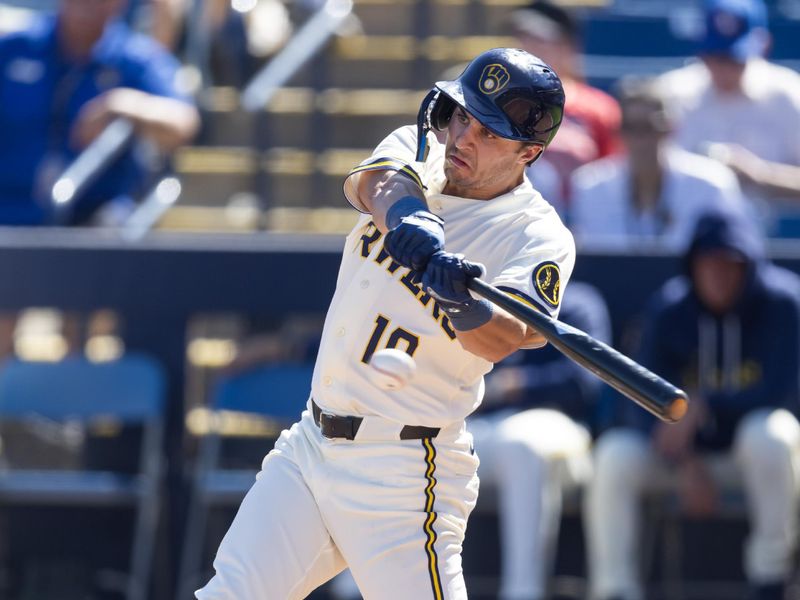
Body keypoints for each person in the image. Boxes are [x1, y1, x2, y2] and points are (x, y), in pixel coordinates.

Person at [196, 47, 575, 599]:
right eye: (464, 116)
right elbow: (381, 185)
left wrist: (462, 302)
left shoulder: (536, 236)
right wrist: (411, 221)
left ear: (529, 152)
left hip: (404, 468)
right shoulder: (423, 144)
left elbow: (508, 336)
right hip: (310, 444)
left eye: (490, 132)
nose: (464, 137)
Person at [585, 210, 800, 600]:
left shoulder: (783, 304)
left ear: (748, 266)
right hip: (680, 460)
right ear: (693, 266)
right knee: (615, 455)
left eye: (729, 264)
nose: (718, 274)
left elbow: (784, 393)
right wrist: (684, 461)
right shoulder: (670, 309)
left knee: (773, 433)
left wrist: (706, 406)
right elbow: (633, 399)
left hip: (746, 456)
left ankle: (772, 579)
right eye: (708, 263)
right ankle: (615, 589)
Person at [468, 281, 610, 600]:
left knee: (522, 447)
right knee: (417, 442)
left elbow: (585, 384)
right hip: (482, 423)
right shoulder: (479, 295)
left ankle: (523, 592)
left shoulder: (578, 303)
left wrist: (517, 384)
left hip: (554, 421)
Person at [0, 0, 200, 226]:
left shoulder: (135, 58)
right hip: (9, 209)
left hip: (91, 217)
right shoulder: (16, 48)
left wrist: (125, 104)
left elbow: (183, 123)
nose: (87, 4)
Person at [656, 0, 800, 235]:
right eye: (715, 55)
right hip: (686, 236)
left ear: (762, 46)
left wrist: (760, 174)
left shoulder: (788, 95)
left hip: (772, 237)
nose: (723, 68)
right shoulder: (672, 92)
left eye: (734, 58)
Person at [570, 77, 745, 250]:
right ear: (618, 133)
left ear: (671, 128)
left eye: (651, 127)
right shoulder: (589, 186)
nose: (641, 140)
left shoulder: (712, 184)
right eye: (631, 128)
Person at [508, 0, 622, 215]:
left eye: (539, 40)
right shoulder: (498, 105)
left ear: (567, 46)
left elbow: (614, 177)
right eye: (522, 38)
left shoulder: (600, 109)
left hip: (585, 222)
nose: (527, 48)